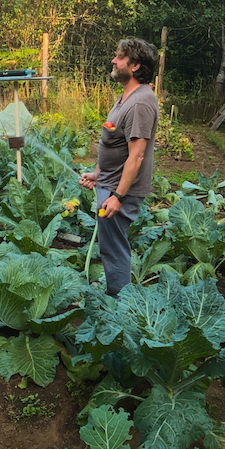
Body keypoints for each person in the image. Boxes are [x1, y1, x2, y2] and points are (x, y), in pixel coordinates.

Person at [79, 37, 160, 297]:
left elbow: (136, 156)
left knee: (114, 250)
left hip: (118, 191)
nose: (114, 61)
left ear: (135, 65)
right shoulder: (127, 96)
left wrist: (117, 196)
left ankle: (119, 306)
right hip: (110, 183)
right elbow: (117, 145)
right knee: (110, 246)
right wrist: (98, 173)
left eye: (120, 57)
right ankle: (118, 296)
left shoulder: (139, 104)